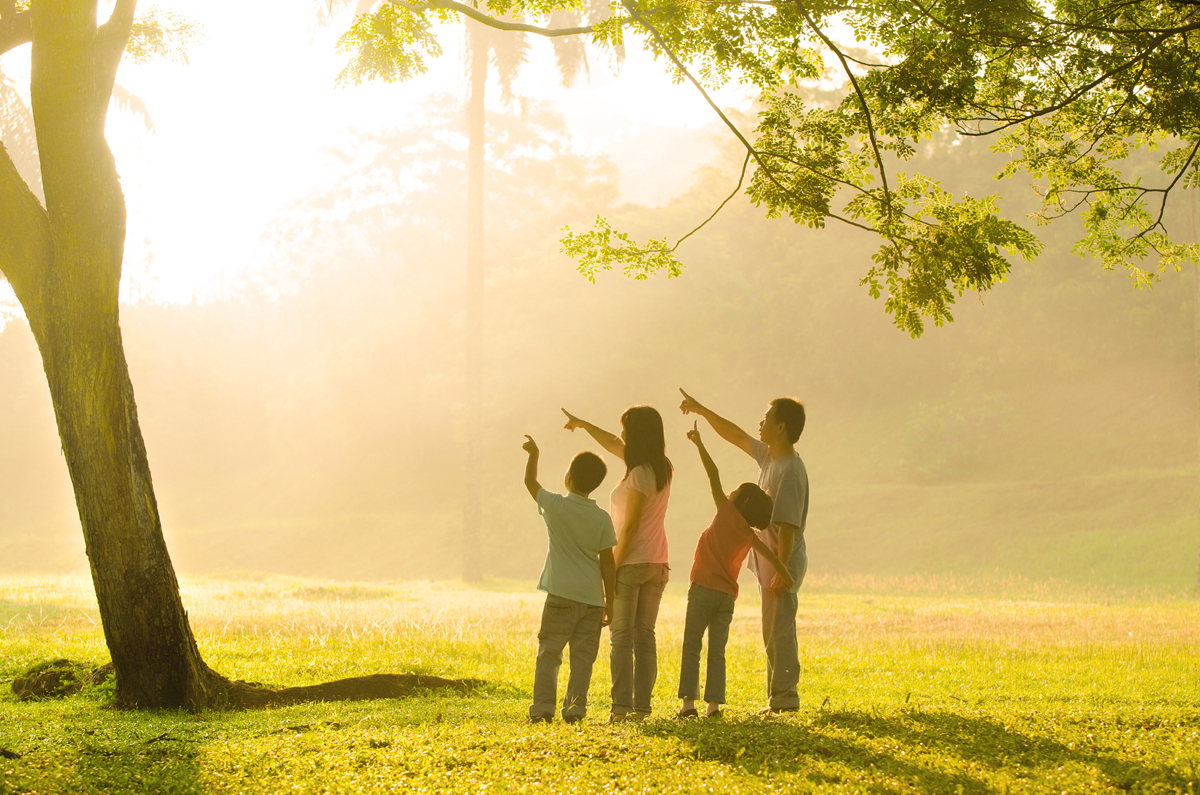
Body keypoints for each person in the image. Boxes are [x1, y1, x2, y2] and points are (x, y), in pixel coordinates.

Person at [679, 389, 808, 713]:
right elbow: (735, 435)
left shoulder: (791, 470)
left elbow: (788, 528)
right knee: (772, 629)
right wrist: (701, 409)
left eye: (766, 419)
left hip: (782, 562)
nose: (760, 424)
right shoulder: (769, 456)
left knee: (779, 630)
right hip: (772, 562)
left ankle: (785, 700)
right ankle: (778, 697)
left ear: (781, 427)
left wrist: (783, 571)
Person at [561, 405, 672, 722]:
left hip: (632, 563)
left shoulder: (637, 475)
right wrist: (584, 424)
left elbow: (631, 526)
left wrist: (612, 568)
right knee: (645, 637)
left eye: (625, 429)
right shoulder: (661, 467)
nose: (621, 434)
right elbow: (612, 442)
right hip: (657, 563)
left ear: (636, 434)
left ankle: (621, 708)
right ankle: (641, 709)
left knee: (622, 637)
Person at [521, 435, 617, 724]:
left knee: (549, 653)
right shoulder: (602, 518)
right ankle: (575, 708)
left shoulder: (556, 506)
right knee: (583, 659)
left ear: (569, 478)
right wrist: (609, 601)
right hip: (592, 599)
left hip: (561, 596)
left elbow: (530, 483)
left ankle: (543, 708)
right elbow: (608, 562)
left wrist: (534, 454)